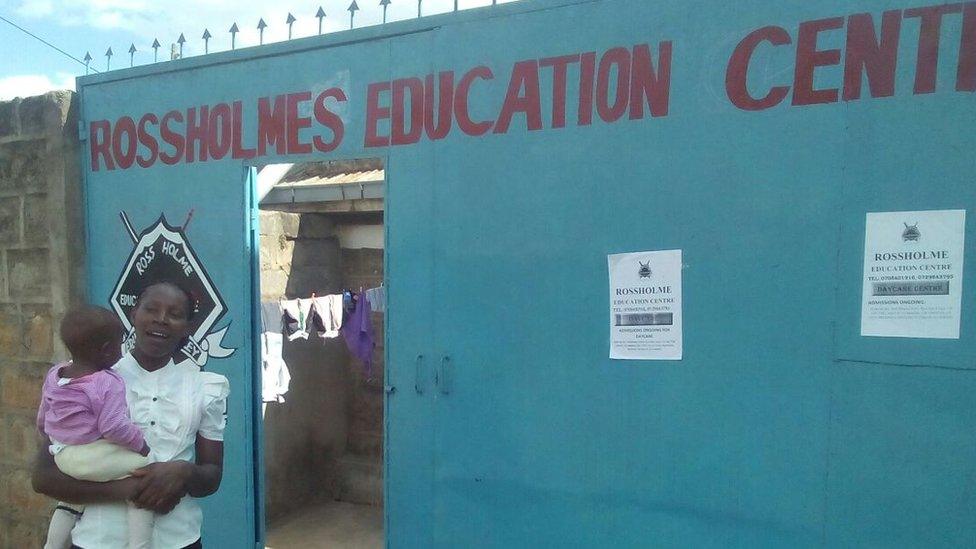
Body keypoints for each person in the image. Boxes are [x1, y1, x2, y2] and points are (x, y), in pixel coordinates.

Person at [33, 281, 230, 549]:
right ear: (133, 314)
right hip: (97, 540)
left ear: (188, 327)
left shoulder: (206, 387)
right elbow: (44, 478)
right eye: (151, 309)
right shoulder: (87, 380)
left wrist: (184, 473)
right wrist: (127, 490)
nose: (161, 320)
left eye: (175, 314)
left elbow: (212, 476)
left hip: (179, 540)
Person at [38, 305, 155, 549]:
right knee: (147, 474)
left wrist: (50, 436)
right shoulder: (106, 382)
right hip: (89, 456)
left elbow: (43, 415)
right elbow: (113, 426)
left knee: (69, 503)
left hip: (62, 454)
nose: (122, 352)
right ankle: (140, 545)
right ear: (105, 351)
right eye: (119, 345)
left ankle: (52, 545)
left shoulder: (56, 374)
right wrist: (140, 444)